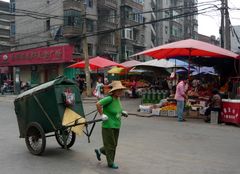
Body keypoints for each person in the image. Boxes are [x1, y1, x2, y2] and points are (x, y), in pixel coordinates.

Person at [94, 81, 127, 169]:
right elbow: (98, 104)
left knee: (114, 144)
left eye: (121, 90)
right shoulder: (110, 98)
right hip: (108, 126)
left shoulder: (117, 99)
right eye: (118, 90)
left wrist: (122, 112)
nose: (120, 91)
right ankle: (110, 162)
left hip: (116, 125)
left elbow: (116, 110)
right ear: (114, 91)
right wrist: (102, 115)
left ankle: (100, 151)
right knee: (111, 145)